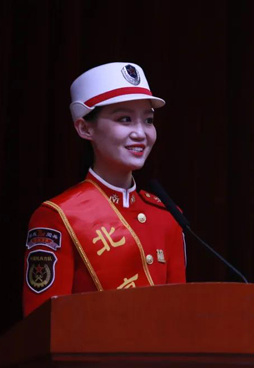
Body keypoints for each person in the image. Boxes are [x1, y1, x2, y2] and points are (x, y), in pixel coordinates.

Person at [23, 62, 187, 316]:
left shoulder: (167, 216)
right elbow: (44, 326)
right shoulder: (57, 217)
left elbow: (179, 317)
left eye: (148, 120)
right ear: (85, 128)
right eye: (125, 119)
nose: (140, 133)